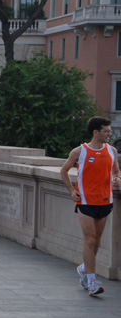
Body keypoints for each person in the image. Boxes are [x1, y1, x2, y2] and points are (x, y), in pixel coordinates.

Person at [60, 116, 121, 296]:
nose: (110, 133)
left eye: (110, 131)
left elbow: (116, 171)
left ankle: (84, 269)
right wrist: (72, 190)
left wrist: (117, 179)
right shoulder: (80, 151)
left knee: (97, 242)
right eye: (107, 131)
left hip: (105, 200)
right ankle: (91, 281)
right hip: (85, 201)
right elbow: (64, 170)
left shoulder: (112, 151)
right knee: (91, 239)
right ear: (96, 132)